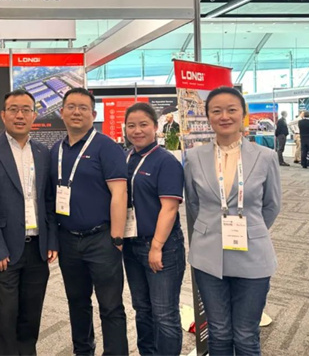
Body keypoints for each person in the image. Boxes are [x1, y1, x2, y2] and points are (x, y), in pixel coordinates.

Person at [184, 86, 281, 355]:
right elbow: (193, 203)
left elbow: (272, 205)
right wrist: (211, 229)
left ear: (243, 113)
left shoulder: (265, 157)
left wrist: (251, 230)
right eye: (216, 111)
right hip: (208, 255)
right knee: (218, 332)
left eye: (231, 110)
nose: (224, 116)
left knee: (246, 335)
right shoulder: (194, 157)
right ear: (208, 117)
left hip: (253, 255)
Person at [0, 89, 58, 355]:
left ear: (34, 115)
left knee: (30, 320)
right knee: (5, 320)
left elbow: (48, 200)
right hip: (5, 251)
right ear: (3, 115)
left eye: (26, 110)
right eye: (13, 109)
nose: (19, 115)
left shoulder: (42, 152)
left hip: (38, 249)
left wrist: (52, 240)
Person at [50, 87, 129, 356]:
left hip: (102, 239)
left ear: (93, 114)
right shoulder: (56, 150)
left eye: (83, 108)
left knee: (110, 306)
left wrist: (116, 238)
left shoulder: (106, 147)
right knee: (77, 302)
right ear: (62, 112)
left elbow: (119, 193)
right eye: (71, 107)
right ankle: (83, 351)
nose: (77, 112)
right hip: (68, 240)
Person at [123, 103, 185, 356]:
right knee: (142, 309)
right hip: (132, 244)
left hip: (162, 246)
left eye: (143, 125)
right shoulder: (126, 157)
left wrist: (156, 246)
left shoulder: (165, 161)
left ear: (155, 127)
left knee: (164, 313)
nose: (137, 130)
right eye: (131, 125)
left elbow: (169, 208)